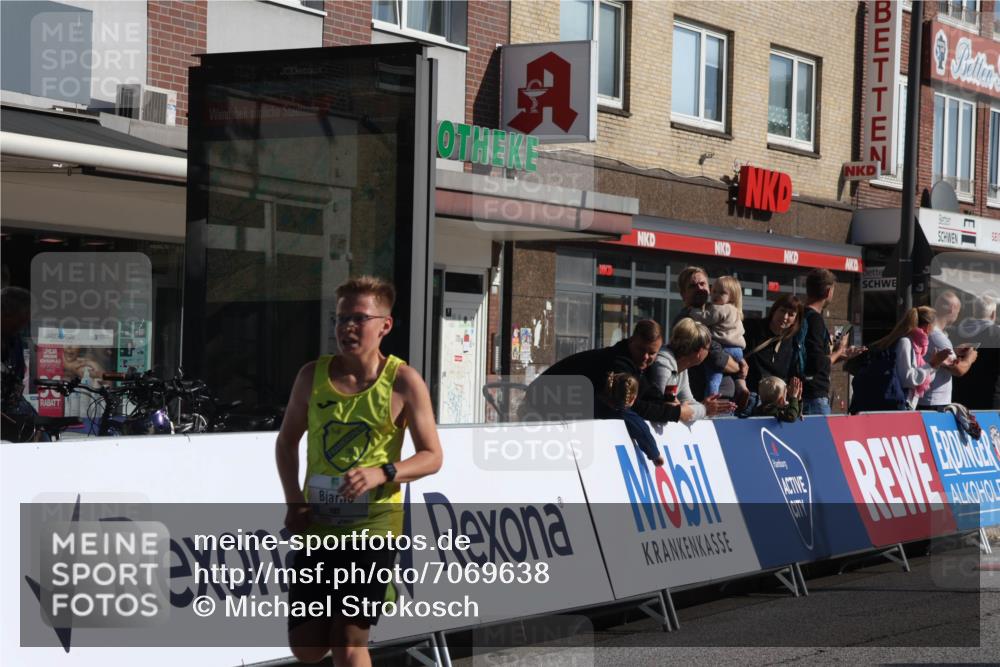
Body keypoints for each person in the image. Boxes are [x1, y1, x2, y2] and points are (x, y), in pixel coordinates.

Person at [275, 276, 443, 666]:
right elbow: (286, 443)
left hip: (373, 526)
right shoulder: (310, 377)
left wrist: (382, 472)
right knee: (308, 647)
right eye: (340, 319)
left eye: (359, 319)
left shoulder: (403, 381)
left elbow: (432, 456)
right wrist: (293, 502)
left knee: (351, 640)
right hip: (318, 524)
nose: (347, 328)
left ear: (385, 325)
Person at [521, 320, 684, 423]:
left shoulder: (634, 365)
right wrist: (675, 413)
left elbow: (646, 392)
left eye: (652, 353)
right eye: (641, 349)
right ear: (631, 341)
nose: (645, 357)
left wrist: (666, 402)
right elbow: (629, 405)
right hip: (540, 406)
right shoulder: (618, 363)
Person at [850, 307, 953, 413]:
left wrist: (935, 365)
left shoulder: (917, 346)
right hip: (898, 405)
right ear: (928, 327)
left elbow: (921, 378)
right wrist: (932, 364)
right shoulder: (906, 342)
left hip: (906, 405)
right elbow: (908, 379)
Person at [672, 267, 745, 401]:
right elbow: (716, 357)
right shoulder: (687, 320)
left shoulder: (716, 312)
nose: (699, 288)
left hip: (726, 398)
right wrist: (739, 366)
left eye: (702, 284)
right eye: (693, 286)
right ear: (683, 294)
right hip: (703, 399)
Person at [646, 318, 738, 422]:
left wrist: (703, 408)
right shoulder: (664, 363)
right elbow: (670, 408)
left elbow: (687, 402)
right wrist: (704, 409)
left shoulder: (682, 367)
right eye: (708, 348)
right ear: (700, 352)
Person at [801, 269, 864, 415]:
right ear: (828, 292)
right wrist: (838, 352)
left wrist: (840, 356)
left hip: (801, 392)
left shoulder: (800, 315)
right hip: (814, 396)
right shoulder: (815, 320)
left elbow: (811, 359)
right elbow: (817, 363)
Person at [919, 290, 978, 410]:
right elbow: (958, 370)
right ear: (952, 308)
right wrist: (969, 358)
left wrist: (954, 352)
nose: (957, 315)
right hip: (934, 401)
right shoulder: (938, 337)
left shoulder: (931, 332)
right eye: (958, 311)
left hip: (927, 398)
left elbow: (937, 357)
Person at [743, 294, 804, 394]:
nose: (785, 317)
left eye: (791, 314)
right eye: (782, 311)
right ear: (774, 310)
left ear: (796, 320)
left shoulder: (793, 342)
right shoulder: (752, 327)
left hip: (776, 399)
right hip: (750, 393)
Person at [603, 372, 664, 466]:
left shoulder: (594, 406)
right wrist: (655, 455)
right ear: (632, 399)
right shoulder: (627, 416)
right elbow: (643, 432)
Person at [952, 293, 1000, 410]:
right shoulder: (996, 334)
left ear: (974, 313)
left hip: (959, 396)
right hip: (989, 398)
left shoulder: (955, 332)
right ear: (993, 314)